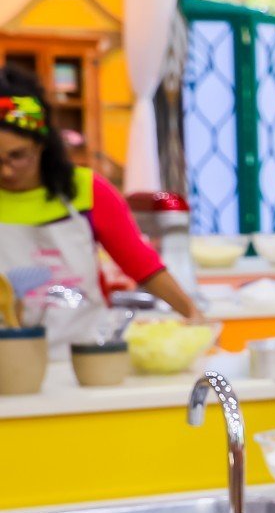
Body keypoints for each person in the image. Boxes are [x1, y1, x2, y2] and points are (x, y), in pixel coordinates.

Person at [0, 67, 202, 330]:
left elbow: (142, 265)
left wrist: (193, 315)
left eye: (17, 155)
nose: (6, 170)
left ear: (41, 144)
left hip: (85, 351)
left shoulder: (86, 191)